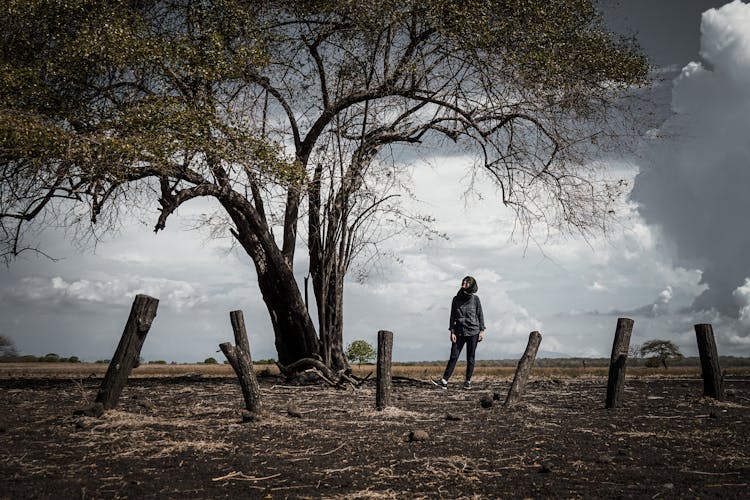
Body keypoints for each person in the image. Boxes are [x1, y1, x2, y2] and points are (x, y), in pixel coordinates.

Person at [432, 276, 485, 390]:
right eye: (463, 281)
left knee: (470, 357)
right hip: (459, 332)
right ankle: (444, 381)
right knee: (454, 356)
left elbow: (480, 315)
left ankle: (467, 382)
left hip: (473, 332)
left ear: (471, 285)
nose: (464, 283)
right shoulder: (456, 299)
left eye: (467, 282)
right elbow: (452, 316)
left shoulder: (475, 299)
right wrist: (452, 332)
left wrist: (481, 331)